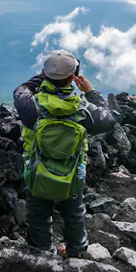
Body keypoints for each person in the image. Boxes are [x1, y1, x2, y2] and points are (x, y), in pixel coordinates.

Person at [13, 50, 116, 258]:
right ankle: (76, 251)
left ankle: (42, 254)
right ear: (73, 78)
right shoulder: (83, 109)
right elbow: (110, 118)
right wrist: (90, 92)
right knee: (74, 212)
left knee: (38, 214)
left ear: (44, 73)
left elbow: (20, 90)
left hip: (37, 170)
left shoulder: (31, 105)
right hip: (72, 172)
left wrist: (42, 76)